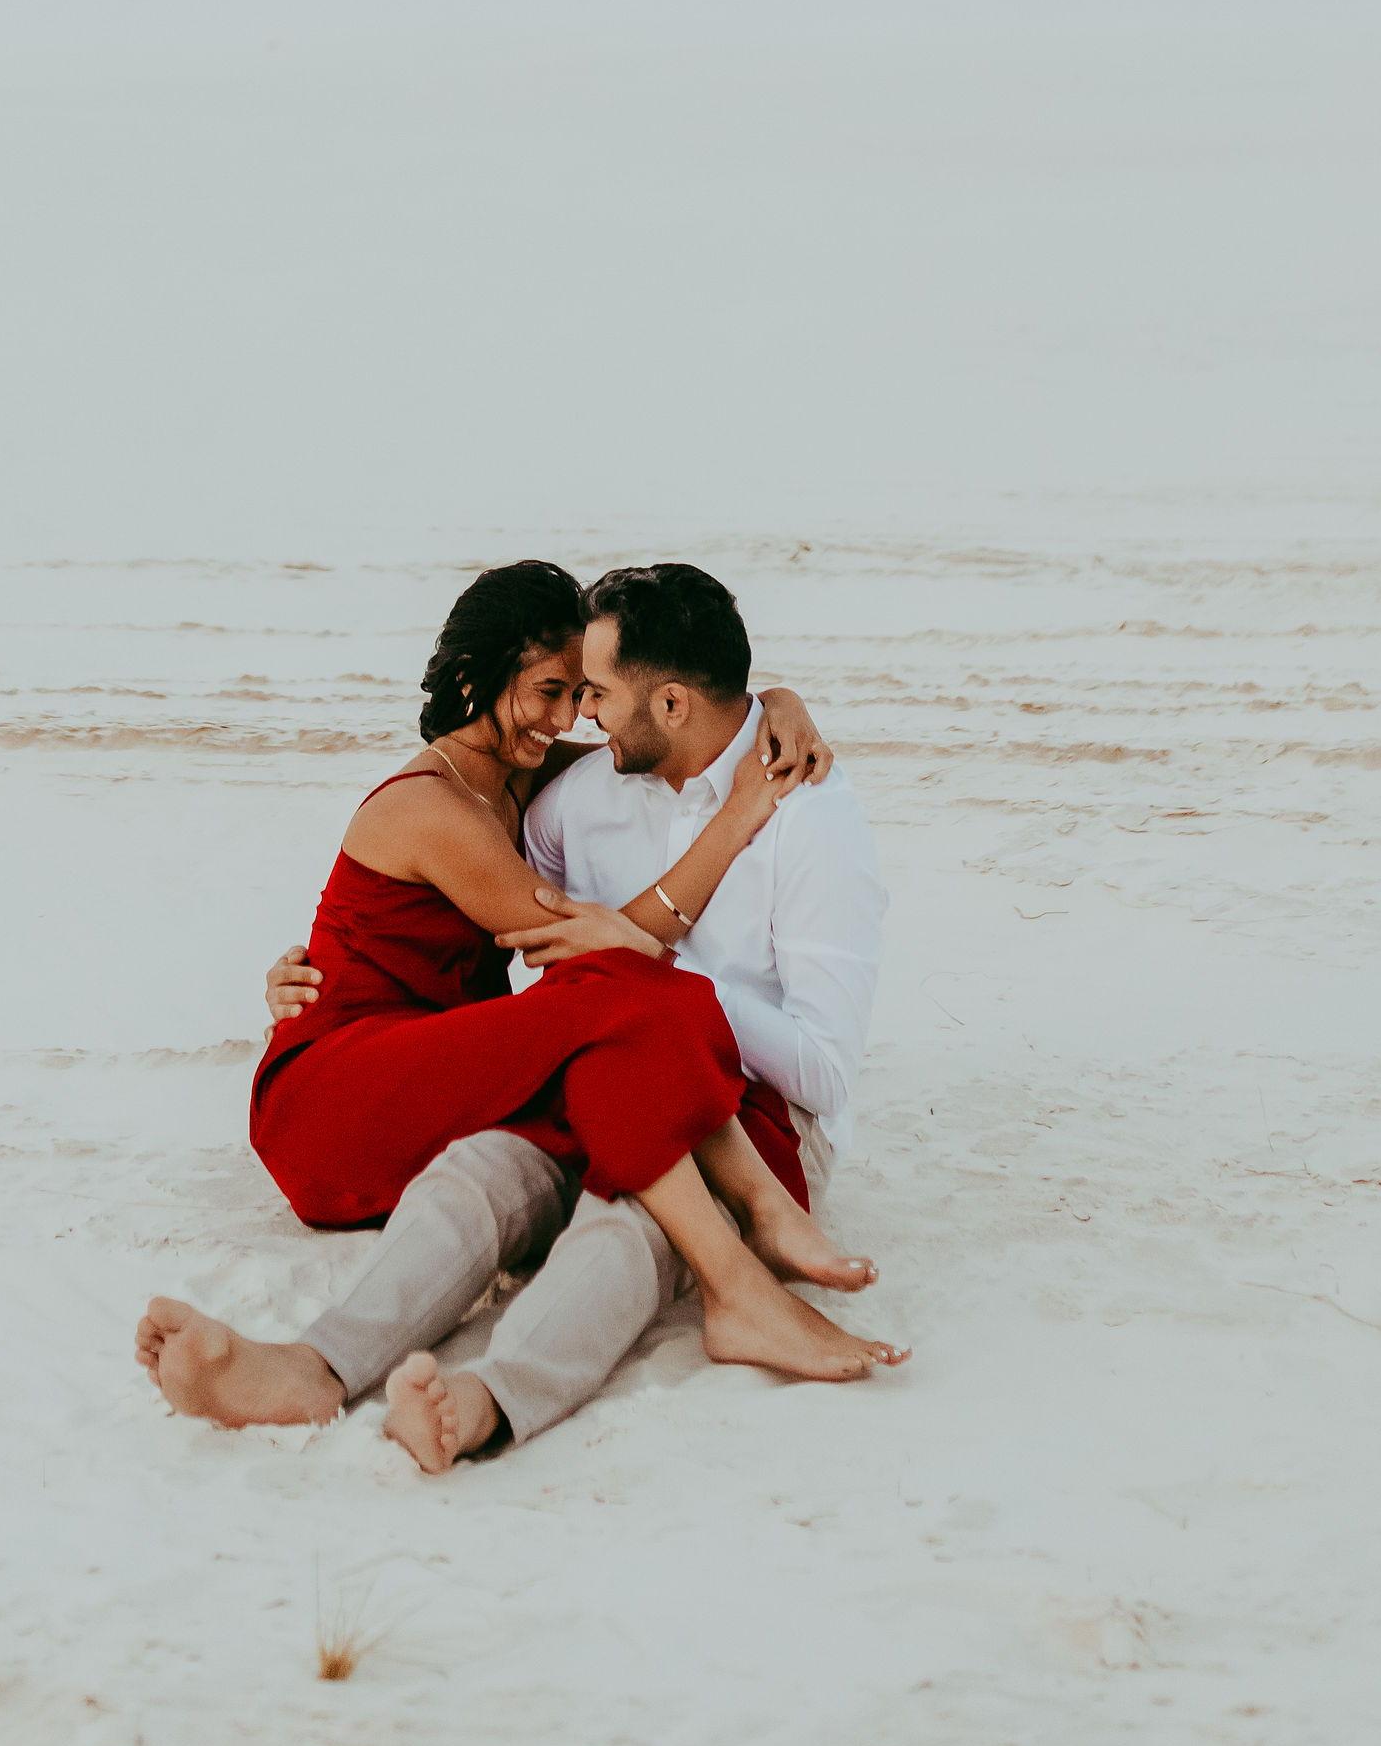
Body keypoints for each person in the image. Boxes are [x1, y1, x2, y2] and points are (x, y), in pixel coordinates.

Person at [135, 562, 902, 1457]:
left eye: (588, 692)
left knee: (535, 1172)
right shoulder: (468, 803)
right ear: (477, 678)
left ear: (669, 705)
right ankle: (741, 1268)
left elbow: (794, 1052)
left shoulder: (555, 780)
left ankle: (439, 1393)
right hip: (360, 1077)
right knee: (618, 996)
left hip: (542, 1071)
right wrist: (731, 828)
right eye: (555, 691)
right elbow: (599, 959)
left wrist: (777, 700)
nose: (576, 716)